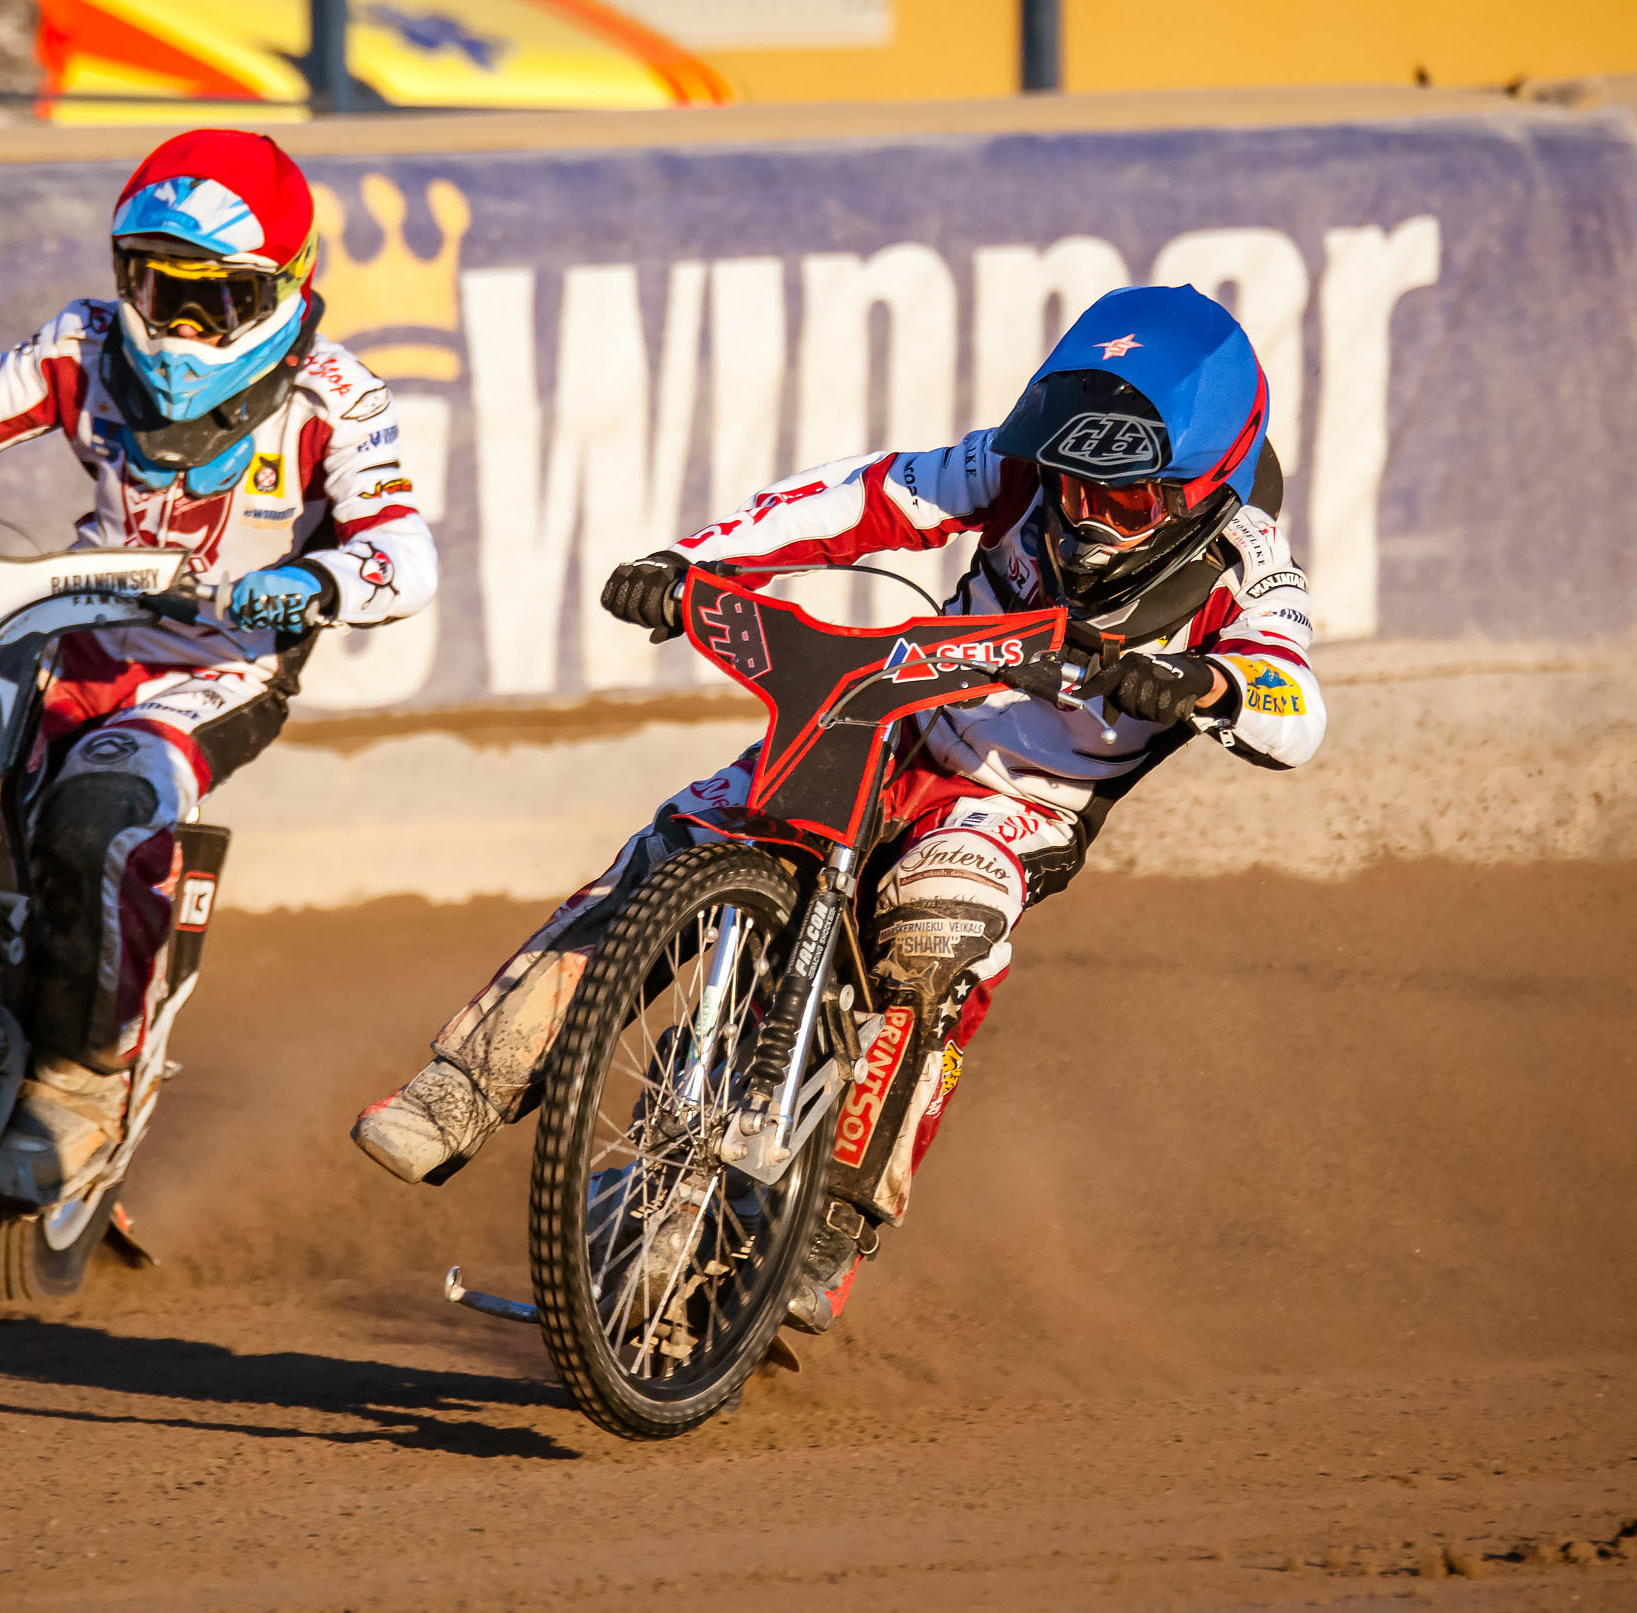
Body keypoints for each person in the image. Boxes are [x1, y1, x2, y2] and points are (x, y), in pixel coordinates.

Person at [351, 284, 1322, 1337]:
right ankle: (465, 1085)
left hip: (1021, 803)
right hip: (896, 716)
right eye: (1072, 479)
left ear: (1205, 482)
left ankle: (835, 1223)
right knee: (684, 838)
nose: (1085, 510)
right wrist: (693, 560)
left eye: (1124, 497)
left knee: (934, 933)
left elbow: (1294, 701)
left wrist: (1207, 688)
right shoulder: (1011, 473)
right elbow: (861, 495)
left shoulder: (1248, 563)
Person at [0, 129, 436, 1203]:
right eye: (153, 286)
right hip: (66, 626)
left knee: (104, 810)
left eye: (209, 300)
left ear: (280, 290)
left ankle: (85, 1085)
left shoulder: (335, 398)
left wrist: (318, 586)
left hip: (218, 665)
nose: (175, 324)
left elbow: (402, 549)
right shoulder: (80, 345)